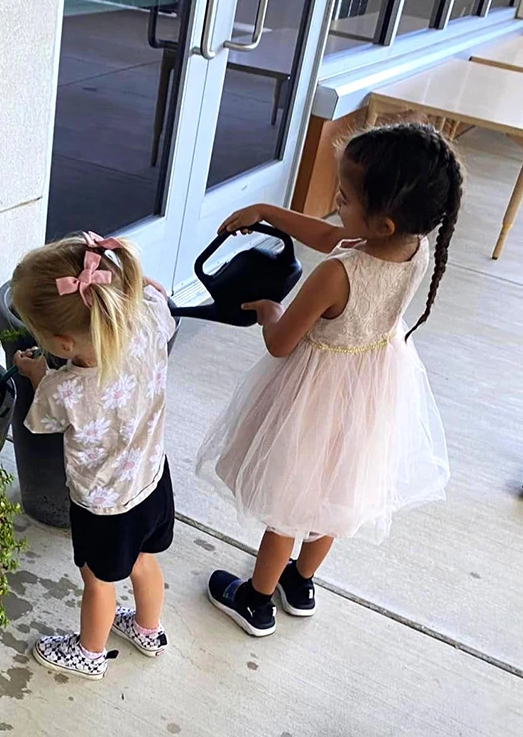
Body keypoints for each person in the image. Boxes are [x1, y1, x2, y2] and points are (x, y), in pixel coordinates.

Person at [197, 123, 462, 636]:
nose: (335, 203)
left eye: (343, 196)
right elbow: (326, 233)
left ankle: (256, 600)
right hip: (372, 389)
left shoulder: (337, 274)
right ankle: (300, 581)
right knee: (338, 490)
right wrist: (268, 213)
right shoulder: (414, 246)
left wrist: (272, 309)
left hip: (316, 396)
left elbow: (282, 342)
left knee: (290, 501)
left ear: (381, 221)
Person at [11, 231, 176, 680]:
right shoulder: (150, 323)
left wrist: (35, 371)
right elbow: (155, 295)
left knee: (98, 581)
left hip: (104, 507)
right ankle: (147, 628)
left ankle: (89, 652)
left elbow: (40, 419)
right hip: (152, 480)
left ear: (63, 344)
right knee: (144, 560)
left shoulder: (67, 389)